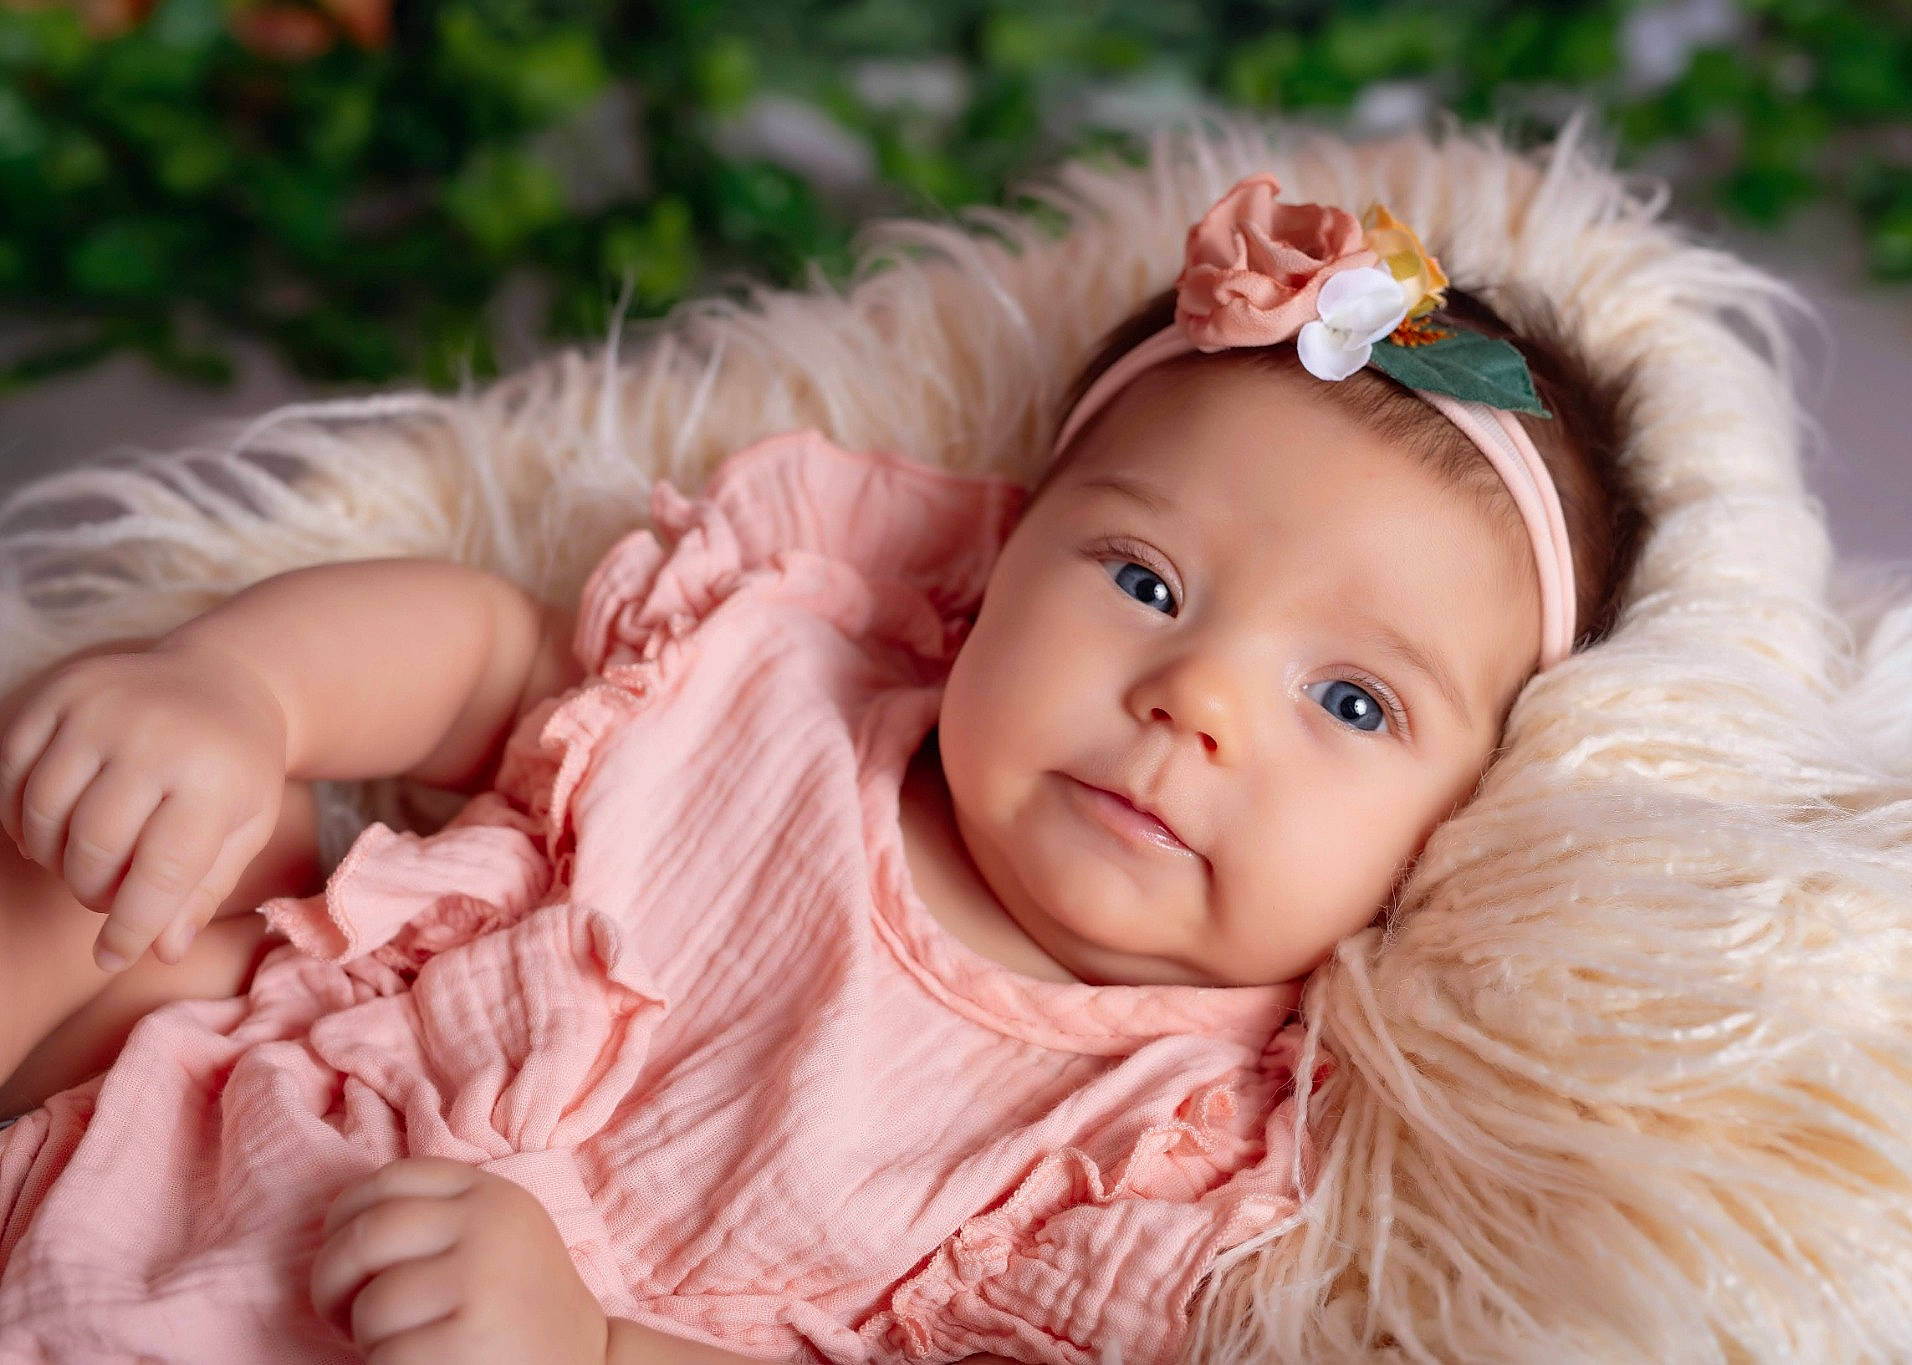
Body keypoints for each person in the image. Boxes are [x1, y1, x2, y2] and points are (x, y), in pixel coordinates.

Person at [0, 172, 1645, 1363]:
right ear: (997, 564)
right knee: (114, 833)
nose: (1196, 696)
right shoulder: (777, 674)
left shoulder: (1174, 1138)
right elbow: (491, 656)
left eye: (1350, 700)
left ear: (1459, 823)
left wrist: (594, 1343)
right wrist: (237, 691)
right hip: (174, 1147)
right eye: (1144, 582)